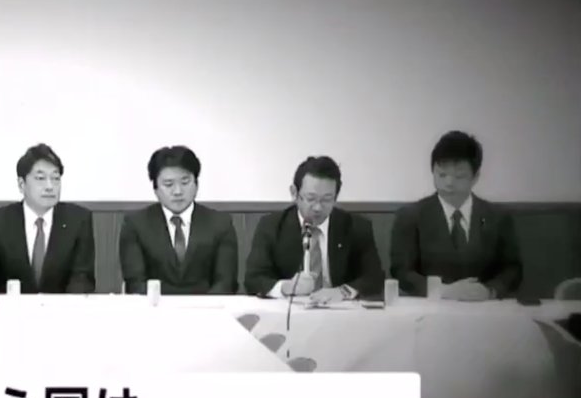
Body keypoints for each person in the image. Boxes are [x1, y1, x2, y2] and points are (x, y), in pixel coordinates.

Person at [390, 131, 522, 300]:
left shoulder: (497, 217)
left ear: (475, 177)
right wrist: (442, 291)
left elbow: (513, 269)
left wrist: (490, 291)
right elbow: (402, 271)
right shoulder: (410, 216)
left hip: (484, 306)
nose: (449, 183)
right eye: (442, 174)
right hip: (431, 306)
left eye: (459, 176)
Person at [244, 156, 384, 303]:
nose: (318, 207)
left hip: (340, 309)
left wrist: (343, 292)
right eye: (311, 198)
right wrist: (287, 287)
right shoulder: (272, 226)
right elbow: (253, 279)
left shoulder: (356, 226)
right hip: (291, 309)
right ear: (294, 193)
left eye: (327, 199)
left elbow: (374, 277)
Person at [0, 144, 96, 294]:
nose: (50, 186)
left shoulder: (79, 220)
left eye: (55, 178)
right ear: (21, 184)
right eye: (41, 178)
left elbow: (82, 279)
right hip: (9, 308)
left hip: (62, 308)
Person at [119, 145, 239, 295]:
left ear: (196, 184)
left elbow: (226, 282)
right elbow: (136, 283)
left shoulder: (220, 223)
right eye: (168, 184)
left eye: (185, 182)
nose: (177, 191)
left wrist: (203, 307)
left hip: (208, 307)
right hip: (155, 307)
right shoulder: (135, 224)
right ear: (155, 189)